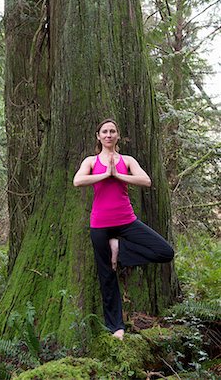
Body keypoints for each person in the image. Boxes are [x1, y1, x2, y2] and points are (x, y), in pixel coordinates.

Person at [73, 118, 174, 341]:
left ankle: (119, 247)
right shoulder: (91, 161)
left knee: (165, 251)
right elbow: (77, 181)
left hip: (126, 221)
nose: (108, 135)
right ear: (98, 137)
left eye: (112, 131)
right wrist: (105, 175)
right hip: (99, 224)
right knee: (107, 276)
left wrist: (117, 175)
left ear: (118, 136)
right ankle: (116, 327)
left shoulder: (127, 160)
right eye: (104, 132)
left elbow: (145, 180)